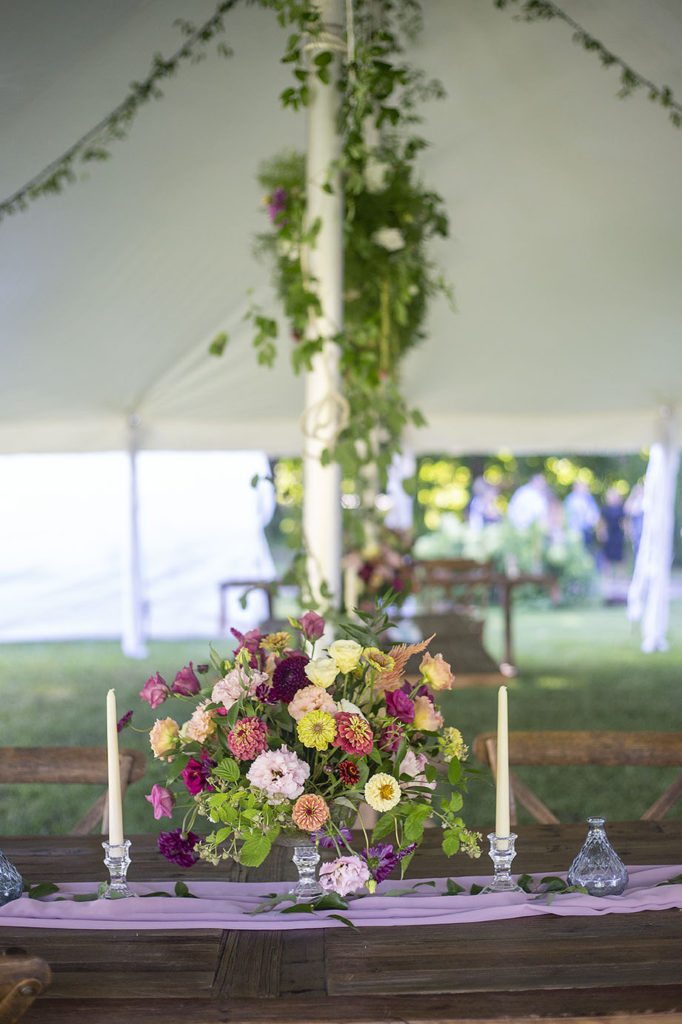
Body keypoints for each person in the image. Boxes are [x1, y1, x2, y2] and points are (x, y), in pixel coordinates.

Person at [563, 480, 600, 553]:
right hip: (573, 529)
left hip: (586, 529)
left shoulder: (589, 498)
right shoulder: (570, 499)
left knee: (586, 549)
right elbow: (565, 513)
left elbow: (594, 514)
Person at [624, 481, 645, 560]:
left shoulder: (645, 500)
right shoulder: (633, 501)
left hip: (643, 527)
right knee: (637, 546)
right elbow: (626, 510)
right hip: (635, 528)